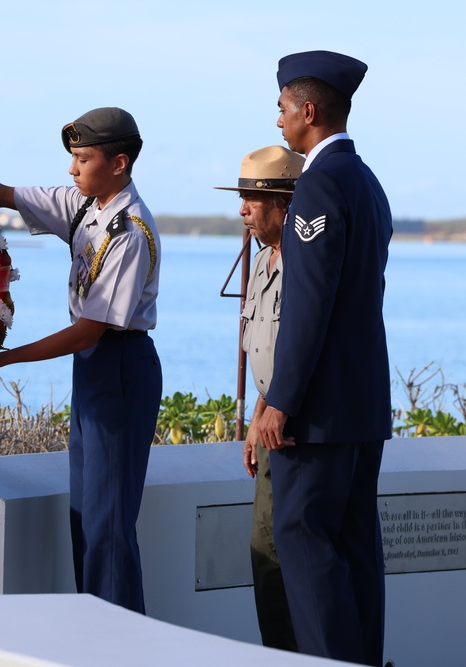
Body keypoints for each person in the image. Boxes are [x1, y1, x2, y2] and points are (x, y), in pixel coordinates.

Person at [0, 107, 162, 614]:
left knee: (108, 525)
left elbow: (88, 330)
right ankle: (97, 633)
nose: (72, 170)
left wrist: (5, 359)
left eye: (83, 159)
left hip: (119, 367)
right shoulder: (82, 205)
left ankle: (121, 645)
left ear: (119, 163)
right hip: (96, 368)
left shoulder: (127, 231)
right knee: (85, 515)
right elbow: (4, 193)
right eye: (71, 159)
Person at [255, 51, 393, 665]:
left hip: (318, 416)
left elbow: (308, 308)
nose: (279, 119)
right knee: (356, 553)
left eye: (283, 108)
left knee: (305, 546)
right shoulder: (368, 183)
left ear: (308, 112)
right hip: (362, 406)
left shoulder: (316, 186)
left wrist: (279, 401)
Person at [214, 145, 303, 651]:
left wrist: (276, 412)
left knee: (279, 556)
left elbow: (303, 349)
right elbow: (268, 354)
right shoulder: (266, 260)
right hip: (270, 425)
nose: (242, 209)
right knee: (265, 559)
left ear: (284, 204)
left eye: (252, 198)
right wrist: (256, 416)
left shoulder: (300, 267)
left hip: (294, 434)